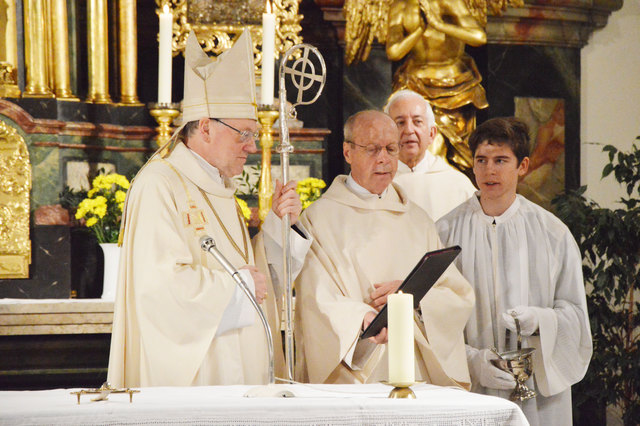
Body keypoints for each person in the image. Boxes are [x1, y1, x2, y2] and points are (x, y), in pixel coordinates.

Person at [107, 29, 312, 387]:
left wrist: (278, 228)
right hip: (199, 377)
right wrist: (240, 286)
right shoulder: (160, 184)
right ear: (204, 127)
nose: (250, 146)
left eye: (254, 135)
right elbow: (159, 290)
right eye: (243, 133)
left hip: (239, 369)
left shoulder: (220, 188)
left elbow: (253, 274)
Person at [294, 110, 475, 387]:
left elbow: (455, 293)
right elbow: (314, 297)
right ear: (347, 152)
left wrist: (413, 297)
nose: (384, 159)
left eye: (391, 149)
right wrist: (361, 319)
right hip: (356, 371)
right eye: (372, 149)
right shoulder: (319, 219)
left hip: (416, 369)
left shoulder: (418, 219)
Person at [436, 117, 592, 425]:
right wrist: (470, 360)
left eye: (500, 160)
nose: (489, 170)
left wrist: (541, 322)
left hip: (538, 395)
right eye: (481, 160)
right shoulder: (444, 232)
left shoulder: (553, 234)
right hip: (471, 388)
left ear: (523, 166)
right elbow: (430, 317)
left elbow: (575, 313)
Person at [385, 0, 489, 172]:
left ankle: (442, 188)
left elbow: (479, 37)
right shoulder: (400, 6)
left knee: (442, 149)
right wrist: (420, 30)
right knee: (419, 144)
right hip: (414, 84)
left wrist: (439, 25)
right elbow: (394, 51)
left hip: (453, 87)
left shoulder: (451, 3)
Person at [385, 89, 476, 221]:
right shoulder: (372, 182)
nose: (409, 130)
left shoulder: (458, 186)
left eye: (417, 122)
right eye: (400, 123)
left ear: (432, 134)